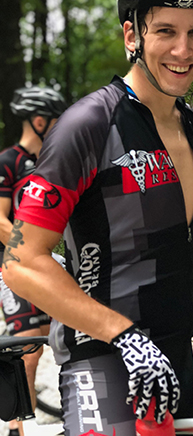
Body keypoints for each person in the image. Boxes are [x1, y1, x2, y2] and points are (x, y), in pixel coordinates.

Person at [2, 0, 193, 436]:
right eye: (165, 31)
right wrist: (124, 336)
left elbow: (183, 242)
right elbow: (22, 263)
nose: (183, 51)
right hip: (103, 353)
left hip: (173, 357)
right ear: (132, 33)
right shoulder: (87, 125)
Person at [0, 86, 67, 436]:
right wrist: (31, 252)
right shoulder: (8, 161)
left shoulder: (50, 162)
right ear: (40, 121)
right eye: (56, 122)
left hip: (47, 261)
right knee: (27, 345)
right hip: (13, 263)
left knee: (60, 333)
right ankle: (15, 427)